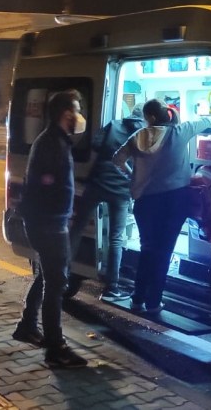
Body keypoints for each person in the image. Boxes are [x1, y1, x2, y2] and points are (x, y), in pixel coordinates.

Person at [112, 98, 211, 314]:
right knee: (164, 252)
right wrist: (178, 118)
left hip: (145, 202)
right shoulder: (179, 131)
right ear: (165, 113)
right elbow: (207, 121)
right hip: (174, 201)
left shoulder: (137, 136)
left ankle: (137, 299)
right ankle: (154, 303)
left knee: (147, 249)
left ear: (148, 117)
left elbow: (117, 159)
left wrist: (132, 176)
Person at [12, 89, 89, 368]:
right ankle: (56, 348)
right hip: (49, 224)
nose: (80, 116)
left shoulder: (55, 140)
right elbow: (44, 183)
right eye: (77, 110)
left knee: (48, 276)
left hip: (49, 221)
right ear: (66, 113)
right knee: (57, 284)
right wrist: (60, 211)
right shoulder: (51, 143)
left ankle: (27, 325)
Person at [69, 106, 146, 302]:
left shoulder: (114, 125)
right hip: (121, 189)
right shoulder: (145, 133)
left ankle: (62, 270)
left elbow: (95, 144)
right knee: (116, 238)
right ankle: (112, 286)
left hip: (98, 182)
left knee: (77, 228)